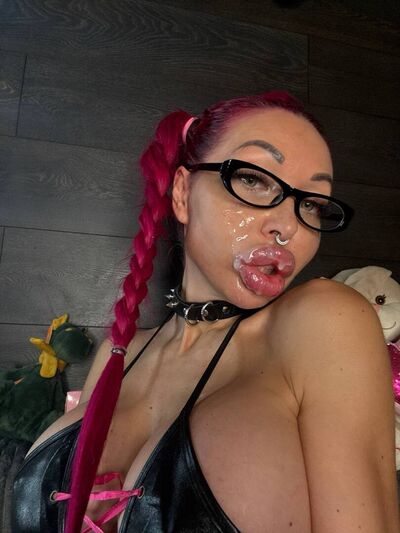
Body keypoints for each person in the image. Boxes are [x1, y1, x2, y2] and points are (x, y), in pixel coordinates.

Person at [11, 91, 399, 532]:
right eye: (252, 179)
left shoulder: (325, 322)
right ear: (182, 192)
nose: (288, 226)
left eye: (311, 203)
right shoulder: (119, 353)